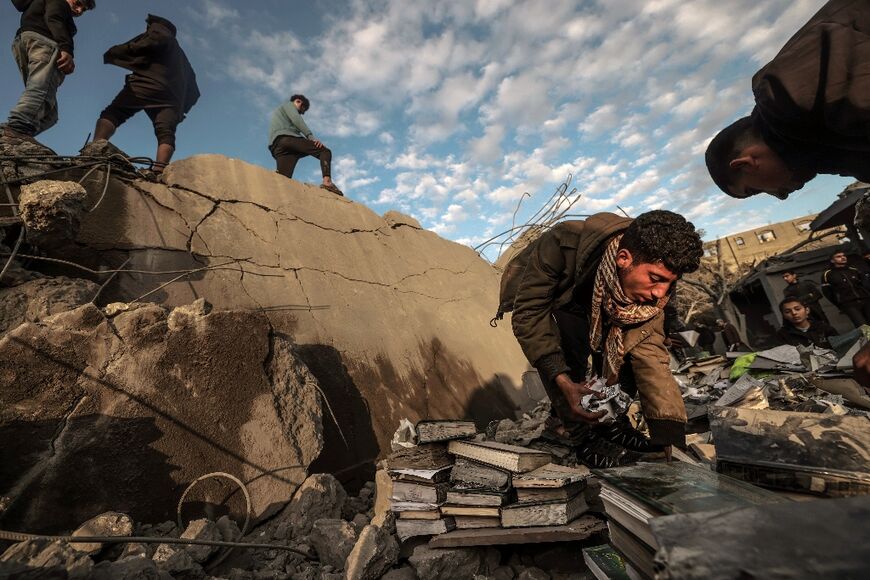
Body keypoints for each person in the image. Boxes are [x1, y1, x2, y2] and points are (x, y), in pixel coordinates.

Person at [505, 210, 703, 467]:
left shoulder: (652, 296)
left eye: (670, 283)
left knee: (625, 353)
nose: (660, 293)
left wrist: (668, 435)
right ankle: (576, 434)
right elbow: (530, 315)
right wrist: (563, 381)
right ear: (623, 258)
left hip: (607, 307)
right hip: (561, 299)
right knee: (569, 347)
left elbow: (651, 357)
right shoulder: (562, 243)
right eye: (655, 279)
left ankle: (612, 422)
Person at [705, 0, 870, 200]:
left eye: (755, 190)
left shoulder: (788, 95)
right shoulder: (820, 146)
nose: (781, 196)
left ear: (746, 163)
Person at [92, 14, 199, 175]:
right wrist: (182, 109)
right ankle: (158, 171)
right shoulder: (183, 60)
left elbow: (148, 42)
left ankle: (94, 149)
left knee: (114, 113)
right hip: (173, 99)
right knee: (166, 132)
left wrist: (118, 51)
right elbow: (195, 90)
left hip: (147, 84)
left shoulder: (160, 32)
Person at [2, 0, 95, 140]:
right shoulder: (59, 2)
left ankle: (12, 133)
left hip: (24, 40)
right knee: (40, 90)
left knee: (50, 114)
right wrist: (66, 48)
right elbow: (54, 17)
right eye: (78, 3)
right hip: (44, 42)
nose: (79, 10)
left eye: (84, 9)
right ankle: (18, 129)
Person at [268, 94, 343, 196]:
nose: (300, 113)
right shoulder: (289, 105)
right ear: (298, 101)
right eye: (302, 110)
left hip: (277, 147)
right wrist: (310, 137)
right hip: (288, 139)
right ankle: (328, 183)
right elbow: (296, 119)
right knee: (324, 151)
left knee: (283, 179)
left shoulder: (280, 113)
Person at [822, 251, 870, 328]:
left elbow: (865, 285)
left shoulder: (854, 270)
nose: (843, 257)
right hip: (849, 304)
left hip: (865, 300)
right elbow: (827, 293)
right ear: (832, 260)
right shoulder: (828, 274)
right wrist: (839, 304)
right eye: (838, 256)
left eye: (844, 255)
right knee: (863, 326)